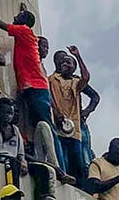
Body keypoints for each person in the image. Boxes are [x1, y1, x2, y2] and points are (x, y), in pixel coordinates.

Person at [0, 0, 54, 140]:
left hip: (36, 86)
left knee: (45, 125)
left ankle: (55, 159)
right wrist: (23, 12)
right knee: (35, 124)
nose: (14, 18)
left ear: (23, 23)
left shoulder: (24, 31)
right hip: (31, 87)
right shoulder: (26, 32)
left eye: (17, 17)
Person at [48, 47, 91, 185]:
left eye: (69, 63)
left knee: (77, 162)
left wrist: (78, 56)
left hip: (74, 130)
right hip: (58, 127)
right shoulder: (52, 79)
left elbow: (86, 77)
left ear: (74, 68)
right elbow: (49, 99)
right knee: (62, 159)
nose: (65, 65)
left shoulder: (76, 83)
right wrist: (56, 113)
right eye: (63, 63)